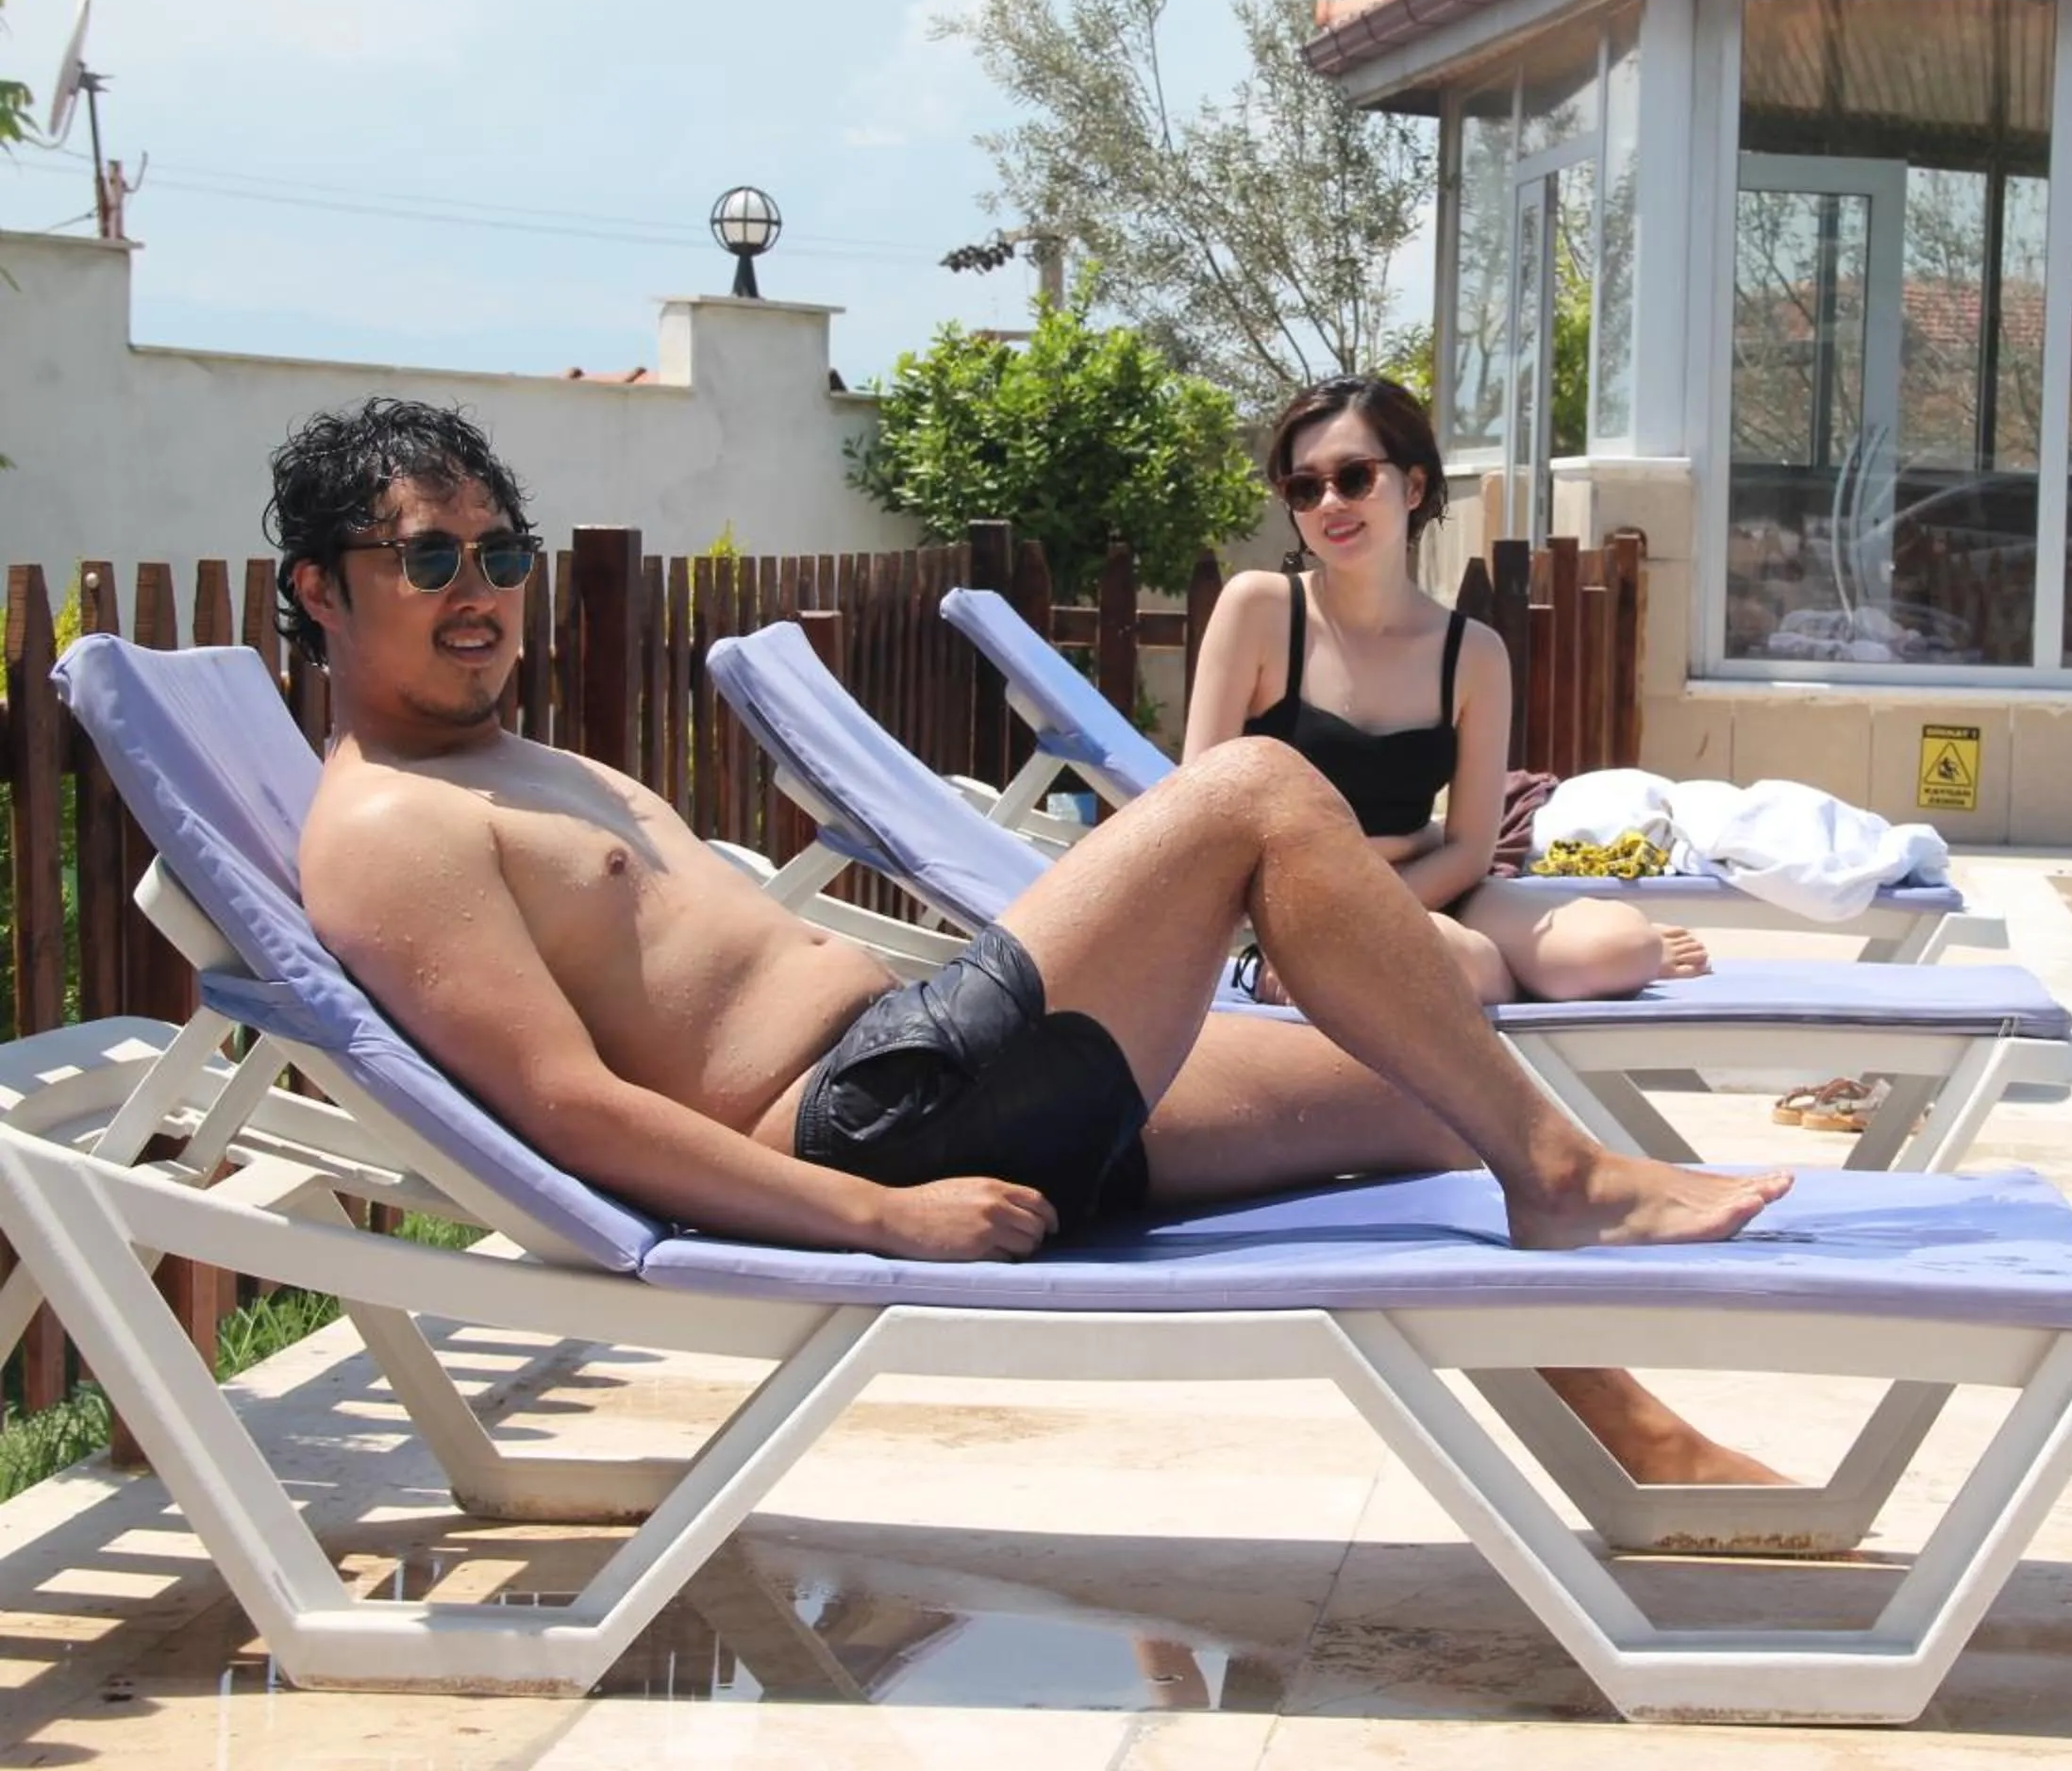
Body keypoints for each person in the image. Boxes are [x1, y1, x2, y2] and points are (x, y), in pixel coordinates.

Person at [269, 397, 1791, 1485]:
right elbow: (566, 1110)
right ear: (321, 591)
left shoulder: (530, 765)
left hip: (930, 1070)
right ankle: (1578, 1181)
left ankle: (1641, 1442)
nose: (478, 596)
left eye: (500, 556)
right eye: (427, 562)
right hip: (866, 1134)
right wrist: (874, 1224)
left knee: (1414, 1095)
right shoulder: (392, 828)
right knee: (1253, 786)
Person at [1185, 376, 1706, 1006]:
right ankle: (1493, 976)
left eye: (1353, 477)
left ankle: (1487, 971)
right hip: (1302, 903)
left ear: (1415, 485)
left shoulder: (1472, 654)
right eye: (1304, 487)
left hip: (1431, 882)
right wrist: (1306, 926)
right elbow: (1201, 810)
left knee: (1621, 948)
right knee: (1463, 962)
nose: (1329, 503)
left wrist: (1377, 913)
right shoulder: (1261, 612)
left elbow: (1469, 848)